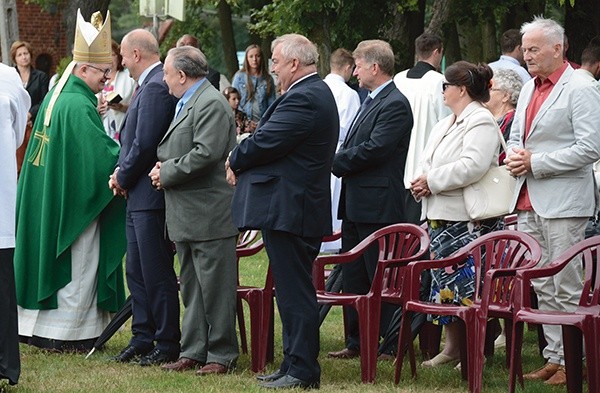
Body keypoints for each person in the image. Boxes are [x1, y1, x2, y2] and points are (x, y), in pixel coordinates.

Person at [226, 33, 339, 389]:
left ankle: (302, 370)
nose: (272, 66)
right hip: (291, 207)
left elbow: (266, 141)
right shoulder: (306, 94)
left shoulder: (305, 97)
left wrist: (234, 157)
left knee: (295, 292)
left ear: (294, 62)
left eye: (275, 60)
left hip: (292, 208)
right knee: (291, 291)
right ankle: (292, 363)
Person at [14, 9, 126, 353]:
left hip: (50, 195)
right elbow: (99, 157)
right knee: (79, 261)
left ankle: (41, 327)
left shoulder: (58, 96)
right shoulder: (77, 104)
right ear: (82, 68)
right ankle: (70, 332)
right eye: (102, 72)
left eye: (108, 72)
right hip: (73, 202)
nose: (106, 80)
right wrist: (129, 162)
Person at [504, 17, 600, 386]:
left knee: (567, 283)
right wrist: (515, 155)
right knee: (542, 284)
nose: (526, 55)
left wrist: (537, 162)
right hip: (527, 197)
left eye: (533, 49)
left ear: (558, 48)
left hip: (565, 202)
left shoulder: (581, 86)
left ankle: (579, 361)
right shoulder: (529, 88)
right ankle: (555, 358)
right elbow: (516, 134)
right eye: (525, 49)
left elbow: (591, 147)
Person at [150, 46, 240, 376]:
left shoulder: (211, 103)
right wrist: (166, 167)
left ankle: (221, 354)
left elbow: (205, 154)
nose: (164, 79)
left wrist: (166, 171)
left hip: (209, 213)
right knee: (192, 286)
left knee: (215, 289)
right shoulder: (189, 102)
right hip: (188, 213)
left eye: (167, 73)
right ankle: (194, 350)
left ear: (183, 75)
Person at [409, 61, 501, 368]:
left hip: (468, 221)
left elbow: (472, 165)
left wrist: (432, 181)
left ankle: (477, 351)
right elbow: (427, 159)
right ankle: (451, 348)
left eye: (445, 86)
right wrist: (421, 179)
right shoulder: (446, 122)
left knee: (470, 288)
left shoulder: (481, 121)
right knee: (445, 287)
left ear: (460, 89)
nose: (442, 91)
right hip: (440, 216)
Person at [328, 40, 413, 360]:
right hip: (356, 202)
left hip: (377, 207)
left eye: (359, 65)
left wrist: (335, 161)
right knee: (354, 274)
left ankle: (390, 344)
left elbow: (376, 149)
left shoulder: (395, 103)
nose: (355, 71)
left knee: (380, 275)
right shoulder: (370, 99)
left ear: (375, 67)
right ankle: (357, 341)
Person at [108, 29, 181, 367]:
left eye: (123, 55)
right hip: (137, 195)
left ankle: (166, 341)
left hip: (150, 197)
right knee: (136, 271)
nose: (121, 61)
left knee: (155, 271)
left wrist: (121, 176)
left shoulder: (154, 88)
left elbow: (145, 144)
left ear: (136, 54)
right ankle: (142, 335)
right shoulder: (148, 86)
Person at [394, 32, 450, 224]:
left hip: (397, 157)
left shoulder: (398, 79)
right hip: (423, 159)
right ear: (437, 52)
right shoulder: (439, 81)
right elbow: (446, 122)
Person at [0, 63, 30, 386]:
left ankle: (5, 365)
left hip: (0, 197)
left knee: (2, 286)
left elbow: (20, 129)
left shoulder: (8, 77)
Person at [322, 48, 360, 253]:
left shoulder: (318, 88)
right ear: (347, 67)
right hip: (338, 153)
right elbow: (352, 130)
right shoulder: (349, 95)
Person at [11, 40, 50, 174]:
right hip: (15, 124)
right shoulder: (11, 77)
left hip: (34, 123)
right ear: (14, 58)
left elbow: (44, 100)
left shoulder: (41, 76)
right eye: (20, 54)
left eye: (26, 53)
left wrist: (29, 114)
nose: (24, 57)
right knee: (17, 163)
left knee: (34, 161)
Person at [98, 39, 136, 142]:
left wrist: (121, 107)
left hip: (122, 129)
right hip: (102, 128)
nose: (109, 59)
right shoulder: (96, 77)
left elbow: (138, 106)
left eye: (113, 55)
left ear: (118, 57)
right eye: (106, 55)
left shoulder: (129, 77)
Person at [232, 44, 276, 123]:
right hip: (243, 123)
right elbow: (233, 101)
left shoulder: (268, 79)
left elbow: (271, 105)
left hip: (262, 123)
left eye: (257, 56)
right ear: (246, 59)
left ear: (261, 58)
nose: (254, 59)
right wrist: (243, 122)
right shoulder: (239, 77)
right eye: (251, 56)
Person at [487, 68, 523, 163]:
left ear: (506, 96)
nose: (484, 92)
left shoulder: (513, 121)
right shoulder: (488, 117)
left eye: (490, 89)